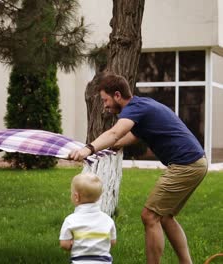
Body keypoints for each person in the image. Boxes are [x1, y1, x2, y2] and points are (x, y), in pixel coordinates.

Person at [69, 73, 208, 264]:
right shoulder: (142, 105)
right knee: (165, 217)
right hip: (195, 162)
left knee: (149, 216)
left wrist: (89, 148)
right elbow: (132, 136)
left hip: (185, 164)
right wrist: (112, 146)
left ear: (117, 95)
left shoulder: (134, 108)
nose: (105, 105)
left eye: (105, 100)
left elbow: (115, 132)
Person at [59, 172, 116, 263]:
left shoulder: (71, 220)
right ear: (99, 197)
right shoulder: (108, 220)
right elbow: (112, 242)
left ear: (76, 197)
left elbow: (64, 244)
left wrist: (74, 243)